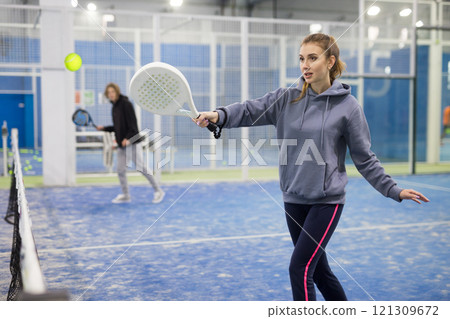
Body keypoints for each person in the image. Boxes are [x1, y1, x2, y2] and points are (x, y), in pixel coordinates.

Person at [194, 33, 429, 301]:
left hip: (326, 203)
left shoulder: (349, 107)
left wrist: (393, 190)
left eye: (312, 58)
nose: (305, 65)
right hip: (293, 199)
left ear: (330, 62)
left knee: (300, 267)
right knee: (319, 271)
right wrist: (217, 115)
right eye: (302, 59)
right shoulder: (286, 98)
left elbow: (364, 157)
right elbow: (249, 110)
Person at [97, 82, 165, 204]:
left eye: (112, 92)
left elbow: (133, 125)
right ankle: (126, 194)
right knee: (120, 170)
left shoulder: (126, 104)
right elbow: (117, 127)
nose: (110, 94)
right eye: (108, 93)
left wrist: (127, 139)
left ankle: (158, 190)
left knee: (141, 167)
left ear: (117, 92)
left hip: (132, 142)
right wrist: (104, 128)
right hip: (121, 146)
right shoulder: (114, 107)